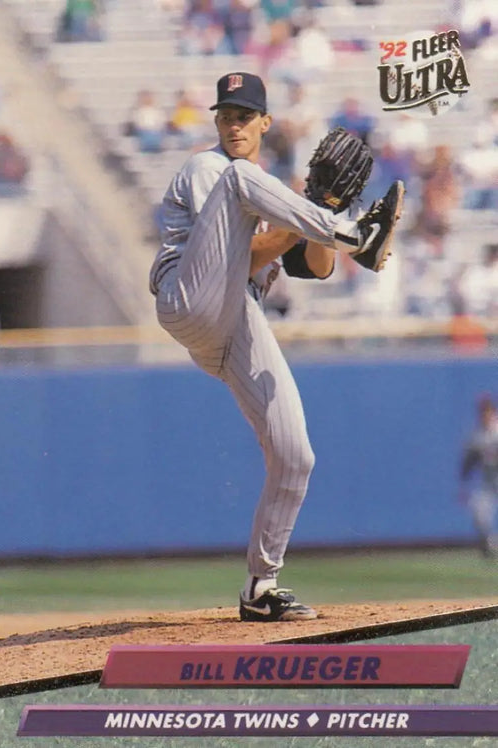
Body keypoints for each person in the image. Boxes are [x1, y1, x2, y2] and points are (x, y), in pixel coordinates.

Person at [149, 72, 404, 622]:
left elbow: (313, 266)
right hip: (188, 297)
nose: (234, 125)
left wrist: (318, 207)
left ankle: (260, 587)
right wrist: (325, 218)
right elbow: (234, 255)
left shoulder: (275, 195)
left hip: (234, 322)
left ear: (265, 122)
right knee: (243, 179)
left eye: (245, 116)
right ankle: (357, 232)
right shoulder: (211, 169)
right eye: (226, 115)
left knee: (295, 455)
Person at [459, 395, 498, 558]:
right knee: (479, 512)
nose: (485, 415)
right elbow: (469, 461)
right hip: (488, 483)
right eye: (482, 412)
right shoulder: (477, 436)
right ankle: (487, 547)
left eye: (487, 412)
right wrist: (463, 482)